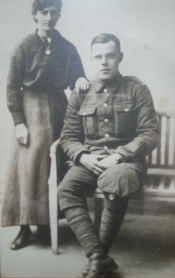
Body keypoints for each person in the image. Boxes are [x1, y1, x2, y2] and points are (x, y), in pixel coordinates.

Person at [58, 33, 159, 278]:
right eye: (98, 57)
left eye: (110, 56)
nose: (104, 62)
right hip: (90, 159)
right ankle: (98, 256)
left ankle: (97, 259)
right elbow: (68, 137)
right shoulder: (81, 93)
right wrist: (83, 157)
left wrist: (121, 155)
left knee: (115, 182)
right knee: (66, 190)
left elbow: (150, 133)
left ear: (119, 57)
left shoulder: (137, 89)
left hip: (126, 162)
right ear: (92, 60)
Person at [1, 0, 89, 250]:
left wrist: (81, 78)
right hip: (31, 109)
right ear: (35, 15)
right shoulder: (24, 47)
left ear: (59, 15)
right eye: (44, 12)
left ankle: (49, 222)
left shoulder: (67, 47)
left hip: (59, 107)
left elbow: (77, 76)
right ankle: (24, 227)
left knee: (57, 162)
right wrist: (19, 122)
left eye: (54, 13)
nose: (49, 18)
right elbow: (11, 87)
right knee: (29, 165)